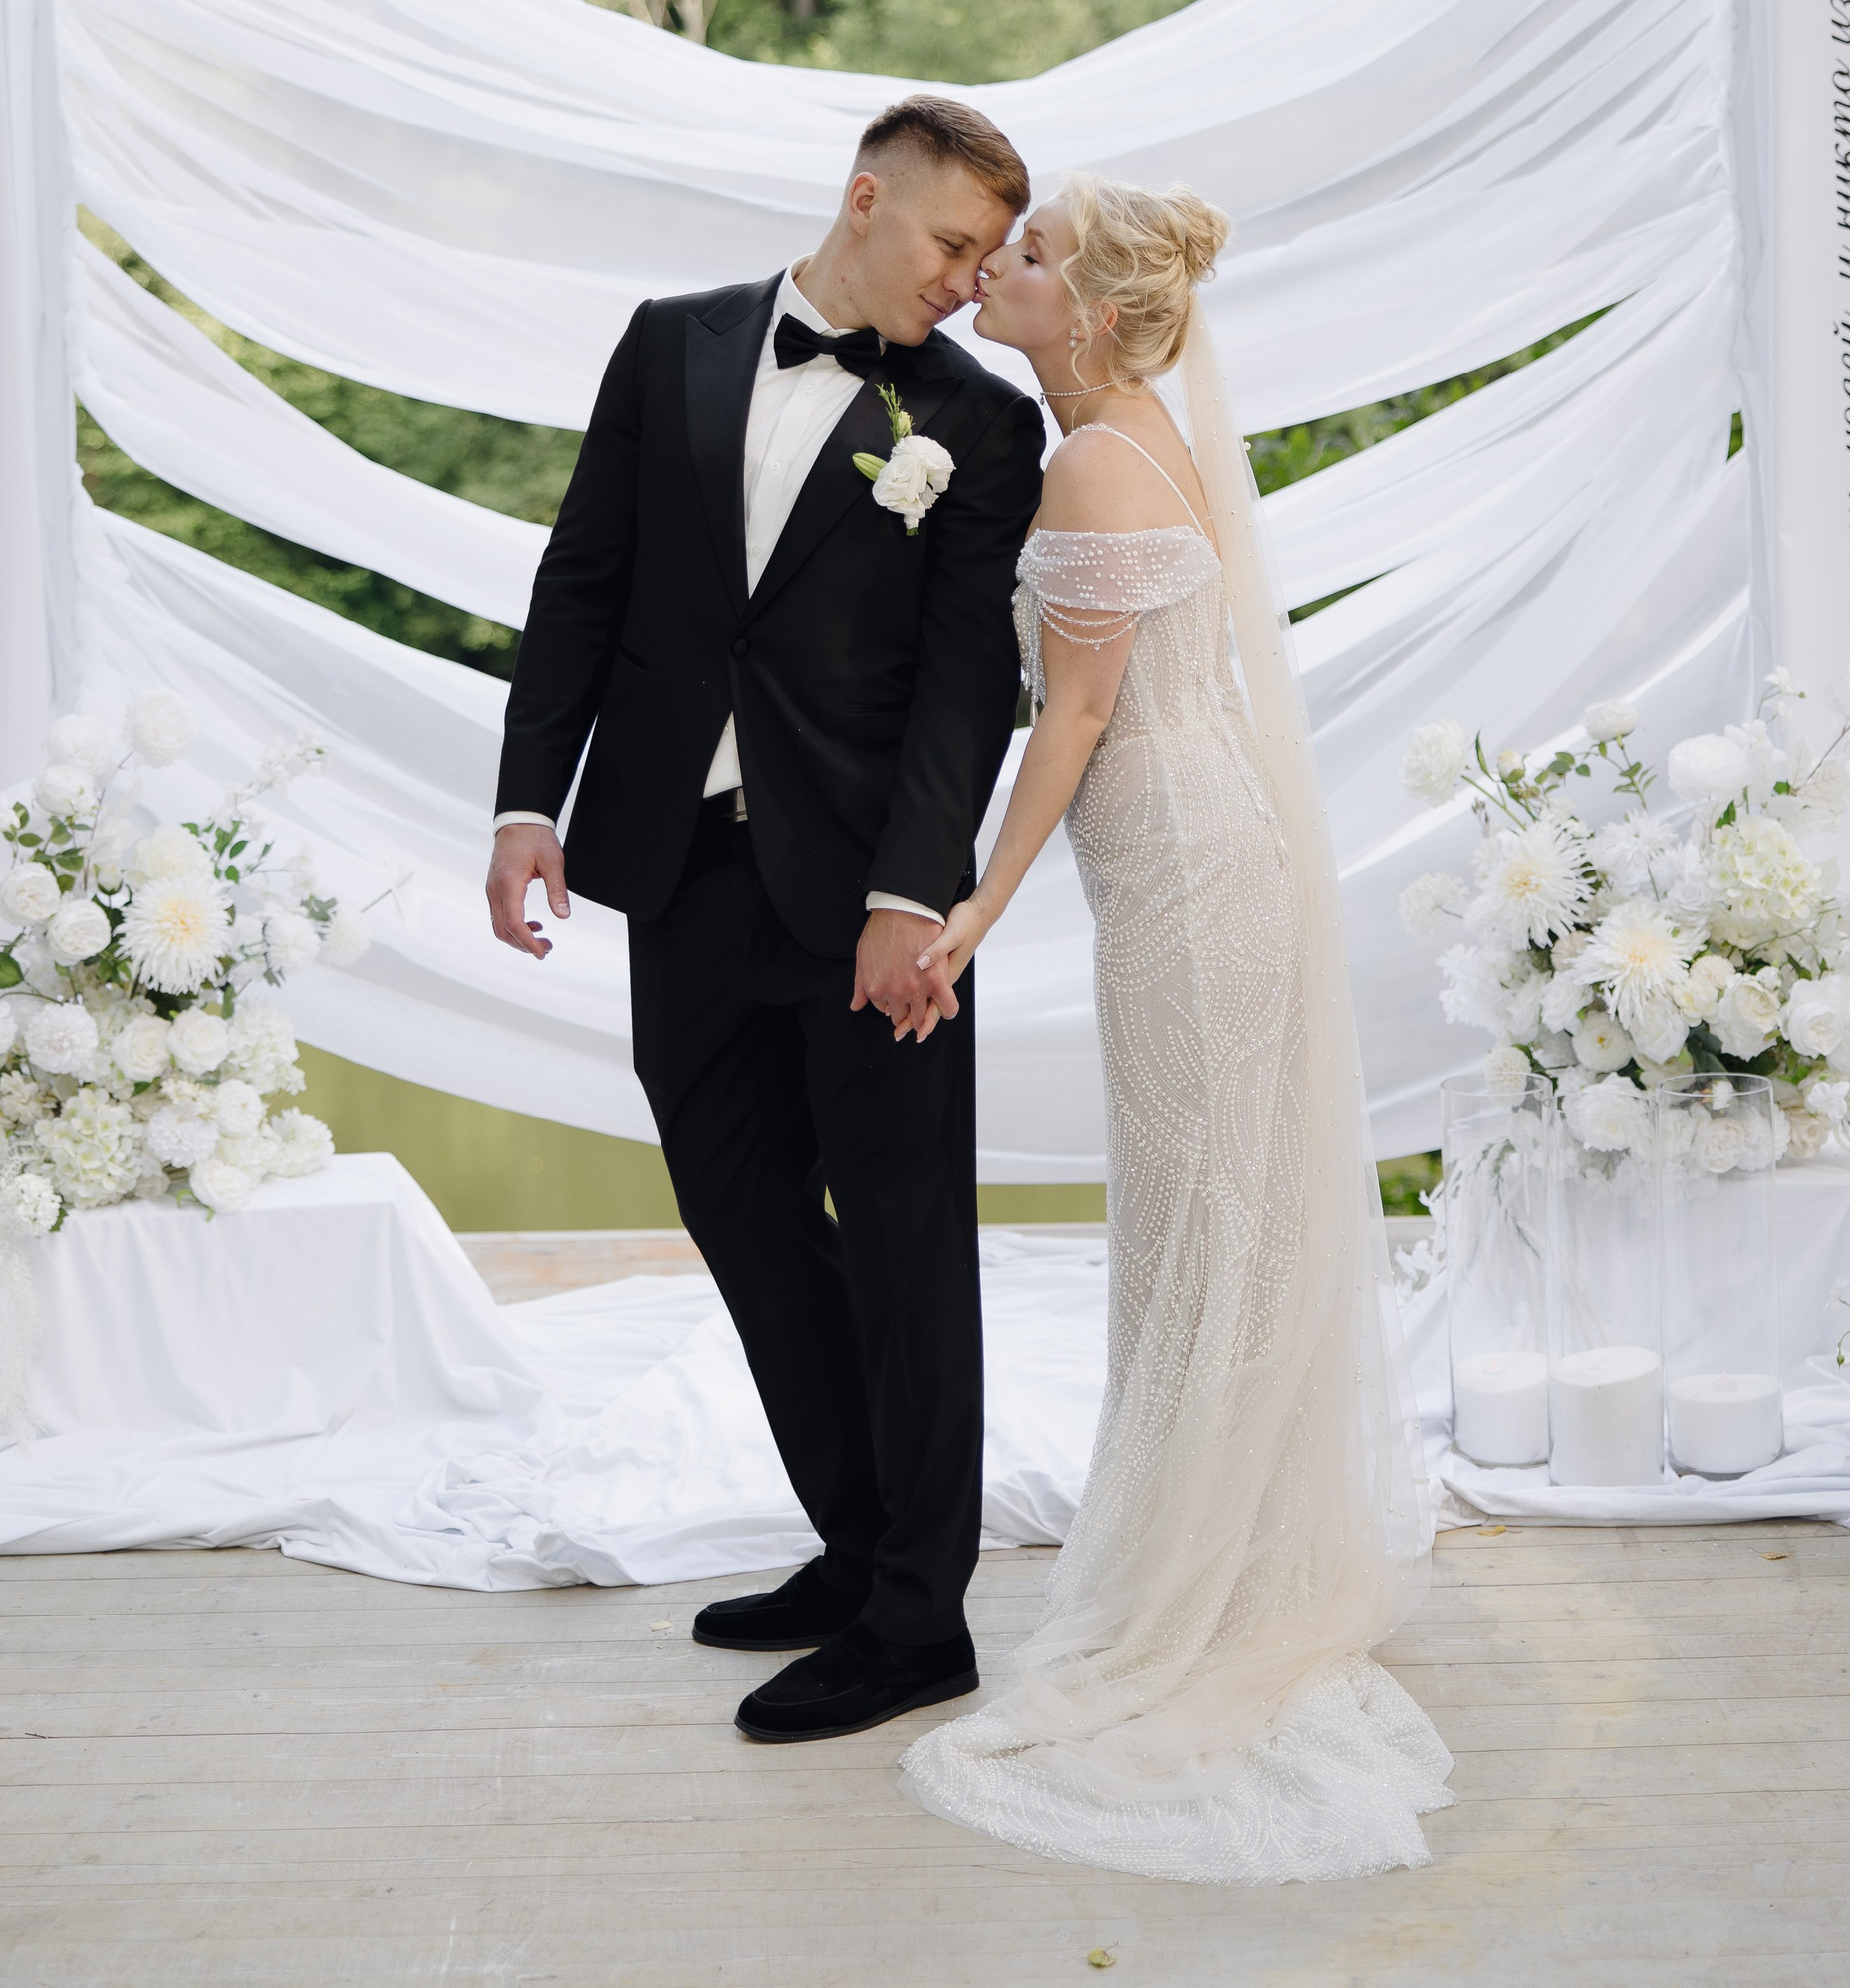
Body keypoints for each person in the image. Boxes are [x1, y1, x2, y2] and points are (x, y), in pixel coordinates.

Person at [899, 176, 1453, 1882]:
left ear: (1097, 308)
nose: (1000, 266)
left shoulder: (1092, 460)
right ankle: (1229, 1538)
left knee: (1206, 1207)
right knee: (1213, 1207)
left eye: (1031, 254)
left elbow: (1071, 717)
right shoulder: (1138, 434)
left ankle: (1198, 1583)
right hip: (1199, 860)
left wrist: (972, 906)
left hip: (1189, 878)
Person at [485, 95, 1045, 1746]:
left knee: (907, 1249)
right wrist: (528, 800)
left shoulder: (984, 424)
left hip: (868, 898)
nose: (970, 279)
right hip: (679, 868)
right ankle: (858, 1545)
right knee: (744, 1220)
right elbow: (584, 577)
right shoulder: (671, 344)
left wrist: (910, 895)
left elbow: (967, 687)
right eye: (953, 241)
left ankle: (920, 1619)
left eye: (991, 257)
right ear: (866, 197)